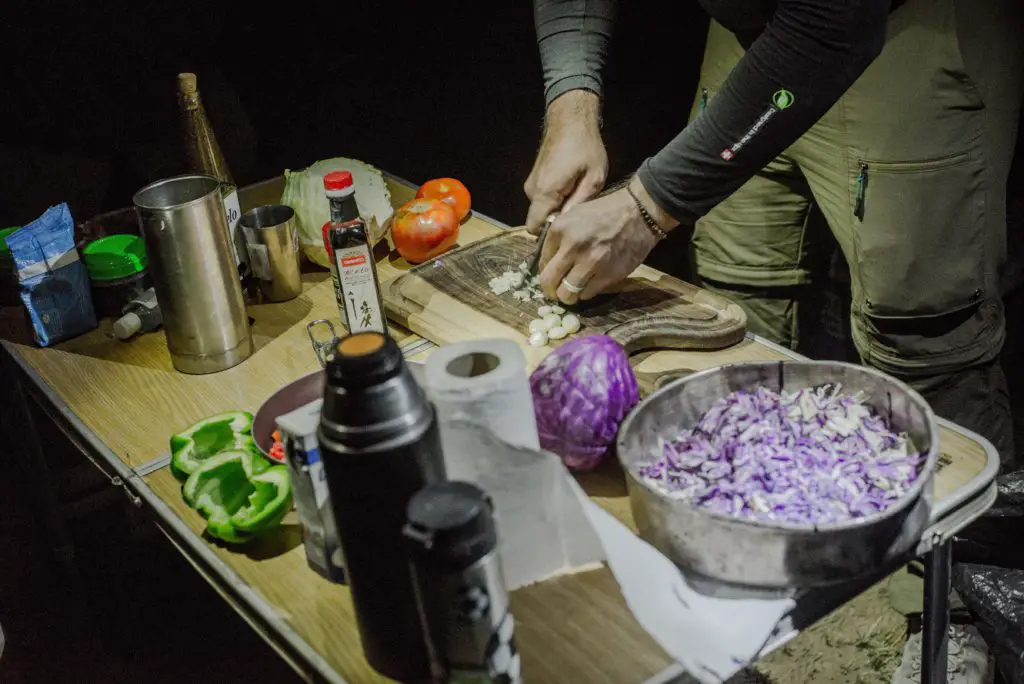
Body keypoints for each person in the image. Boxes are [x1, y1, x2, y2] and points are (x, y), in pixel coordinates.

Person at [526, 1, 1023, 682]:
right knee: (735, 309)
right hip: (749, 30)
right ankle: (747, 581)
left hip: (902, 28)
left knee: (923, 334)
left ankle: (956, 606)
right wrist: (572, 106)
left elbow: (835, 20)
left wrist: (647, 205)